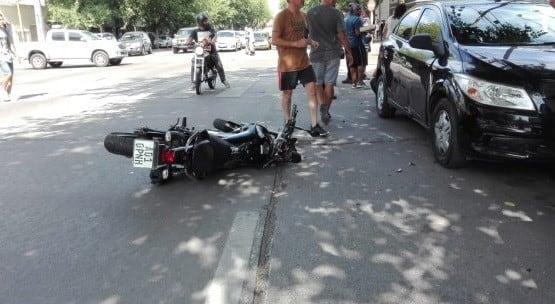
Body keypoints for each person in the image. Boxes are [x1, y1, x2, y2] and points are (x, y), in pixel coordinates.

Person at [272, 0, 328, 137]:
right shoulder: (281, 17)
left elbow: (304, 37)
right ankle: (287, 123)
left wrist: (311, 42)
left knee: (312, 91)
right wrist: (295, 44)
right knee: (287, 94)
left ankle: (314, 125)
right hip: (287, 65)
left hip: (304, 63)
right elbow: (274, 40)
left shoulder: (303, 16)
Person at [307, 0, 352, 125]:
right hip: (333, 53)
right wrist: (349, 52)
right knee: (329, 84)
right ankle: (325, 109)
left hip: (316, 54)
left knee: (317, 83)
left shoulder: (310, 13)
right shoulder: (337, 13)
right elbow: (341, 35)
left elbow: (305, 35)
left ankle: (322, 106)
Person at [187, 12, 230, 89]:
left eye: (206, 20)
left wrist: (212, 41)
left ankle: (224, 80)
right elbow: (189, 39)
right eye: (205, 21)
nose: (206, 22)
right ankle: (194, 83)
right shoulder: (195, 31)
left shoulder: (210, 29)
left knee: (218, 63)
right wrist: (188, 42)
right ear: (200, 22)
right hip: (200, 51)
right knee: (194, 62)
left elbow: (215, 36)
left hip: (211, 51)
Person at [344, 3, 368, 89]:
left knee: (352, 64)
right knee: (361, 63)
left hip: (348, 44)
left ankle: (354, 83)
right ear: (354, 10)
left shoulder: (346, 19)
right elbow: (358, 33)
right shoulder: (357, 20)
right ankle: (360, 82)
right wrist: (367, 30)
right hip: (357, 44)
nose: (360, 11)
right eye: (358, 9)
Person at [0, 17, 15, 102]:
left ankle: (8, 95)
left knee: (11, 78)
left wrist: (14, 53)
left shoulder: (4, 30)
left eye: (2, 19)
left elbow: (9, 43)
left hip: (8, 55)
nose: (2, 20)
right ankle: (3, 91)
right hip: (1, 57)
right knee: (8, 74)